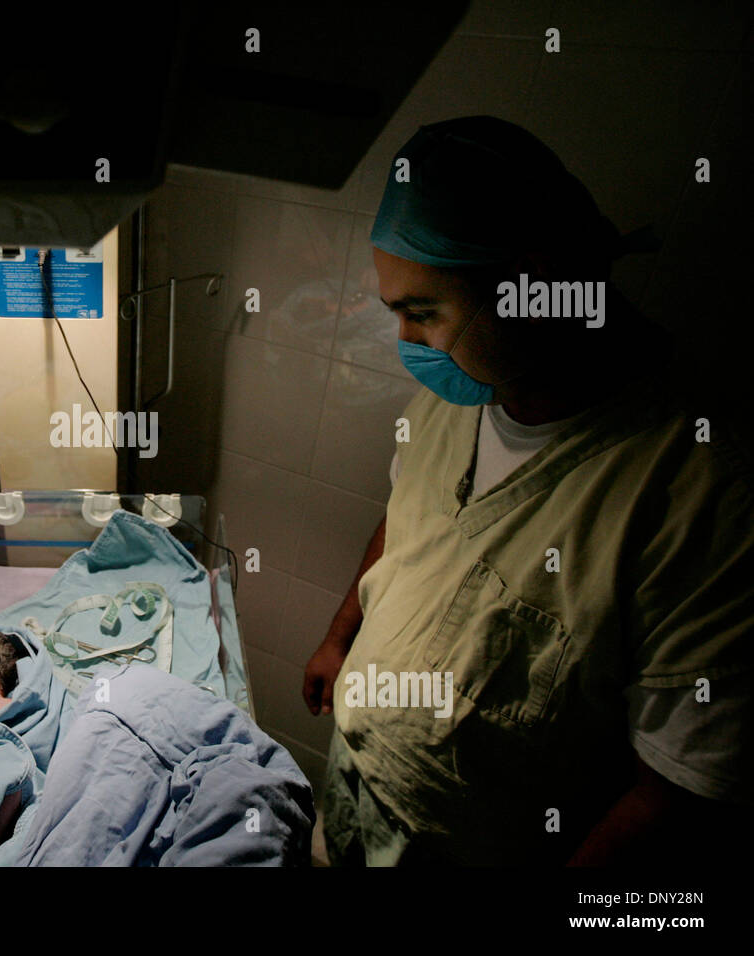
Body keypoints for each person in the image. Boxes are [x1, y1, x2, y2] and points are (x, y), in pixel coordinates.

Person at [303, 116, 753, 865]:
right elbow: (411, 518)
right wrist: (340, 631)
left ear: (533, 290)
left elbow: (675, 791)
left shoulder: (699, 497)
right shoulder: (466, 389)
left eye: (423, 312)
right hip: (354, 798)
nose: (408, 340)